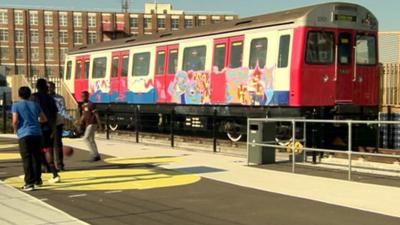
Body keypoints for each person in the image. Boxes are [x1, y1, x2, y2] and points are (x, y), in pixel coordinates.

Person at [12, 86, 47, 191]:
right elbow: (43, 118)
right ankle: (37, 180)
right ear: (30, 94)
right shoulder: (35, 105)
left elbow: (15, 120)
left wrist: (16, 130)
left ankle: (29, 182)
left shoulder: (16, 105)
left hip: (24, 133)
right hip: (37, 133)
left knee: (26, 158)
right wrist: (36, 123)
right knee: (36, 157)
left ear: (19, 95)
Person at [30, 78, 60, 183]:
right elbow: (56, 113)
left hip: (37, 126)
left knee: (37, 151)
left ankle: (48, 172)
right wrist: (54, 127)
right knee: (47, 148)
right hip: (49, 126)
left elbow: (32, 112)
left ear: (37, 86)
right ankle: (51, 170)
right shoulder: (50, 98)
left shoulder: (34, 97)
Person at [48, 81, 73, 171]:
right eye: (47, 87)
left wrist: (71, 119)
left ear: (54, 88)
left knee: (57, 144)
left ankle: (60, 165)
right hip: (46, 124)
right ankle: (49, 165)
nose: (49, 89)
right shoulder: (43, 98)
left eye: (51, 87)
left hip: (57, 123)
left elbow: (63, 111)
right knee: (47, 146)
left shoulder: (59, 98)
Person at [79, 91, 102, 161]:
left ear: (87, 96)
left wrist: (100, 125)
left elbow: (96, 114)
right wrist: (80, 121)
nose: (83, 97)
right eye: (82, 96)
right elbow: (83, 115)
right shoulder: (83, 105)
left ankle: (93, 154)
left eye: (84, 96)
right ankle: (97, 155)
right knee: (91, 140)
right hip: (88, 124)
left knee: (85, 138)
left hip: (92, 123)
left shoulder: (91, 104)